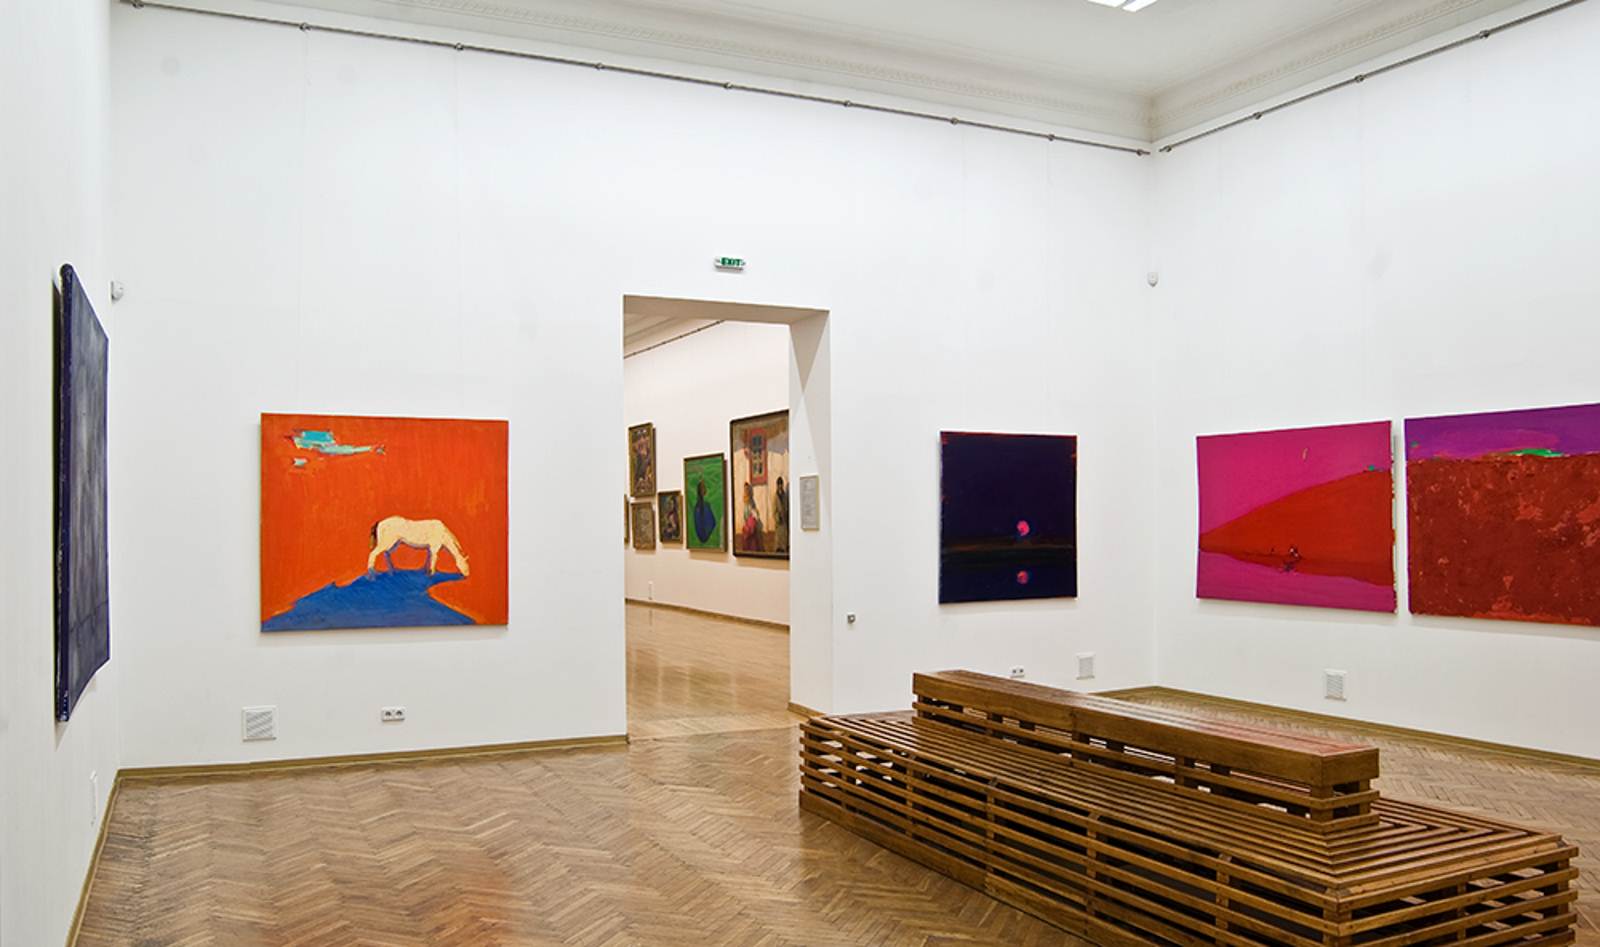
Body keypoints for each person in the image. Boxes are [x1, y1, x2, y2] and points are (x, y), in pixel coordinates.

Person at [740, 482, 763, 552]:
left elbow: (753, 510)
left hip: (751, 521)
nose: (746, 491)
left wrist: (755, 516)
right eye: (745, 489)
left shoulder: (751, 500)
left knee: (753, 538)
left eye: (747, 489)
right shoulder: (744, 499)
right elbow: (745, 513)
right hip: (747, 522)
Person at [693, 478, 718, 544]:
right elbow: (712, 522)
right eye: (703, 487)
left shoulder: (702, 506)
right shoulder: (703, 506)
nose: (705, 489)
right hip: (704, 535)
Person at [773, 476, 789, 553]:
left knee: (784, 536)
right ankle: (778, 548)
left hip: (784, 518)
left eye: (781, 484)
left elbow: (786, 505)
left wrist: (785, 513)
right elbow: (774, 509)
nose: (780, 486)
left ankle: (784, 547)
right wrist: (777, 517)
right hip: (779, 520)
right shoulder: (775, 496)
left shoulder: (784, 495)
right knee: (778, 536)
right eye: (779, 484)